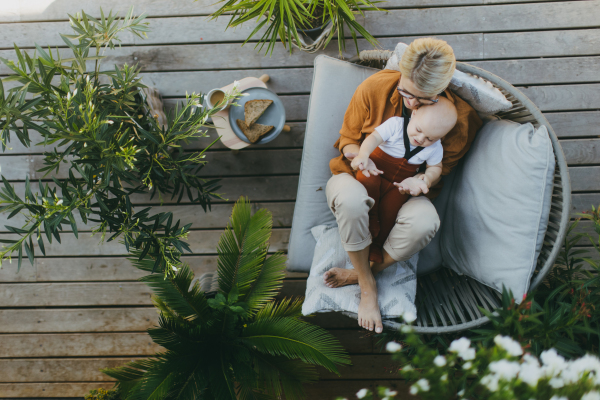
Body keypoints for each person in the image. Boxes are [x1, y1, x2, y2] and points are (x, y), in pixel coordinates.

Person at [323, 38, 482, 334]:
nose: (410, 103)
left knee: (425, 222)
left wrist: (423, 180)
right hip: (357, 176)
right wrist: (361, 158)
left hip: (403, 190)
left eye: (422, 100)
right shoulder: (376, 88)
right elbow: (348, 139)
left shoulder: (458, 121)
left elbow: (439, 169)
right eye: (405, 92)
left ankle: (361, 272)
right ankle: (368, 286)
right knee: (352, 200)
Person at [353, 97, 458, 263]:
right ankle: (372, 218)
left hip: (399, 185)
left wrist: (427, 178)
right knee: (366, 180)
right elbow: (374, 138)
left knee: (391, 210)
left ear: (440, 137)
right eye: (419, 129)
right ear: (414, 114)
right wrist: (364, 154)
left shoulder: (435, 147)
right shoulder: (395, 125)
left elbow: (435, 168)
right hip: (376, 170)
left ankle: (377, 244)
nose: (421, 138)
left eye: (430, 138)